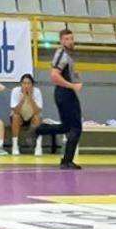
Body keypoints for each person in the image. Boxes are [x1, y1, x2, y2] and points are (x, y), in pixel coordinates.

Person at [35, 29, 84, 170]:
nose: (70, 41)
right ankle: (67, 161)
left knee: (66, 127)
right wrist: (72, 85)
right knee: (76, 127)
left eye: (72, 38)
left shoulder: (67, 55)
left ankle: (39, 130)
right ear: (62, 40)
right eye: (67, 39)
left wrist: (73, 74)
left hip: (66, 93)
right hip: (65, 93)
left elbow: (62, 72)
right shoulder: (61, 54)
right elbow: (54, 76)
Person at [10, 73, 44, 156]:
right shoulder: (15, 91)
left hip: (32, 117)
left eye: (28, 83)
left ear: (32, 85)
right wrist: (22, 99)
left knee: (37, 117)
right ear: (21, 84)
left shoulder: (37, 91)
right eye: (24, 83)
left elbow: (37, 111)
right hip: (20, 116)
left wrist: (30, 98)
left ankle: (38, 146)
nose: (26, 86)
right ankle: (15, 146)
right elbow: (15, 111)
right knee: (15, 117)